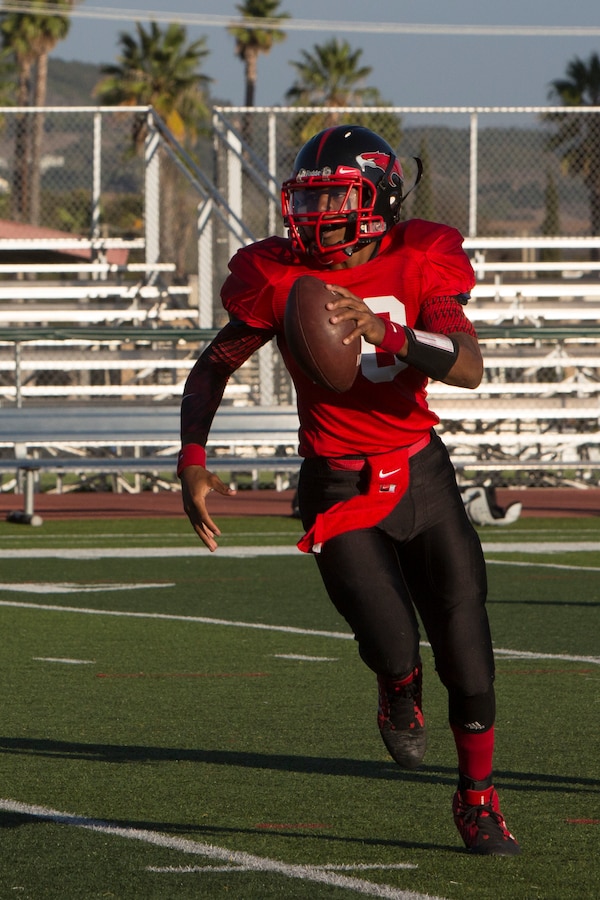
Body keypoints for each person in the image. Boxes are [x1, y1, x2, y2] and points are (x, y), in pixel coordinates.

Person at [178, 124, 521, 856]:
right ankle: (397, 683)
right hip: (336, 482)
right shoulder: (276, 277)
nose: (319, 212)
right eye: (310, 197)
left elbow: (467, 366)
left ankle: (479, 799)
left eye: (337, 195)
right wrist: (193, 457)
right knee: (395, 643)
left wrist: (385, 332)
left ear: (381, 198)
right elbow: (213, 368)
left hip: (421, 472)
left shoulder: (423, 255)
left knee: (467, 650)